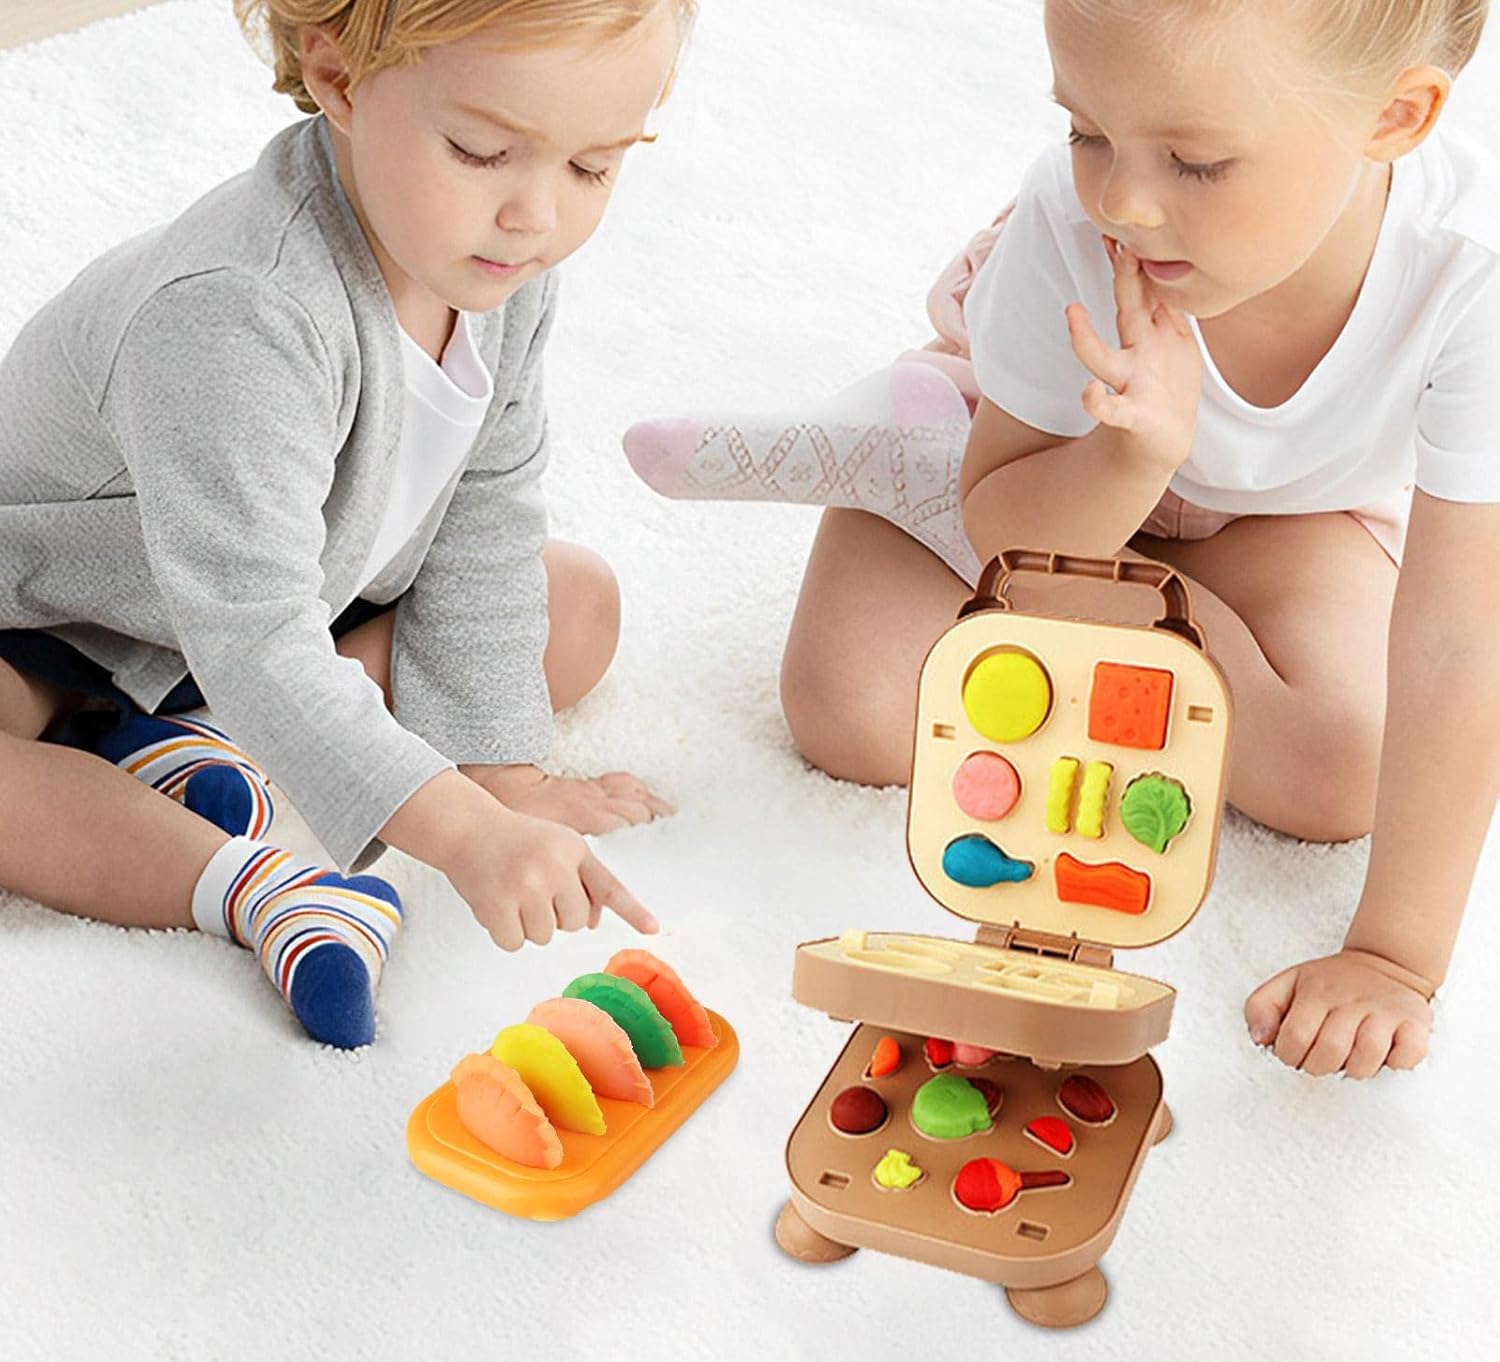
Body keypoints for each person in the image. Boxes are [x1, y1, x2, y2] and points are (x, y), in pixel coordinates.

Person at [624, 0, 1500, 1079]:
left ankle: (933, 488)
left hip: (1287, 515)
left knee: (1339, 775)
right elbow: (1007, 526)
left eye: (1197, 162)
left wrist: (1396, 956)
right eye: (1087, 131)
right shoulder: (1067, 217)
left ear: (1395, 117)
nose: (1122, 202)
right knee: (849, 708)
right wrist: (1129, 460)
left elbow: (1462, 640)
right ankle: (910, 444)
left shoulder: (1474, 274)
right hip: (1057, 460)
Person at [0, 0, 693, 1048]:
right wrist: (460, 829)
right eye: (482, 152)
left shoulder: (494, 268)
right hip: (55, 619)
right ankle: (259, 886)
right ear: (338, 77)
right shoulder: (236, 311)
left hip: (279, 605)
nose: (537, 216)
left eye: (593, 167)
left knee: (576, 603)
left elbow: (486, 508)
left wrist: (500, 773)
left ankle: (200, 747)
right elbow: (250, 634)